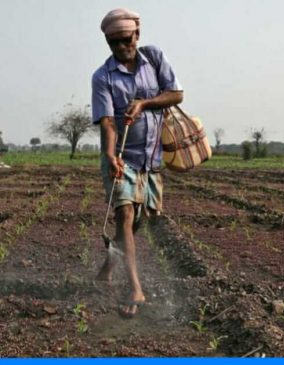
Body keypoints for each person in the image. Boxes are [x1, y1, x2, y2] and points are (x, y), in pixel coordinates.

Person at [92, 8, 184, 318]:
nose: (121, 47)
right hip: (123, 158)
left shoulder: (155, 58)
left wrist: (144, 103)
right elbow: (107, 122)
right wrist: (109, 155)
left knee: (136, 223)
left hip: (151, 159)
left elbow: (176, 94)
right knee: (125, 213)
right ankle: (135, 288)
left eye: (125, 40)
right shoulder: (102, 77)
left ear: (137, 35)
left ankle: (106, 268)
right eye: (113, 43)